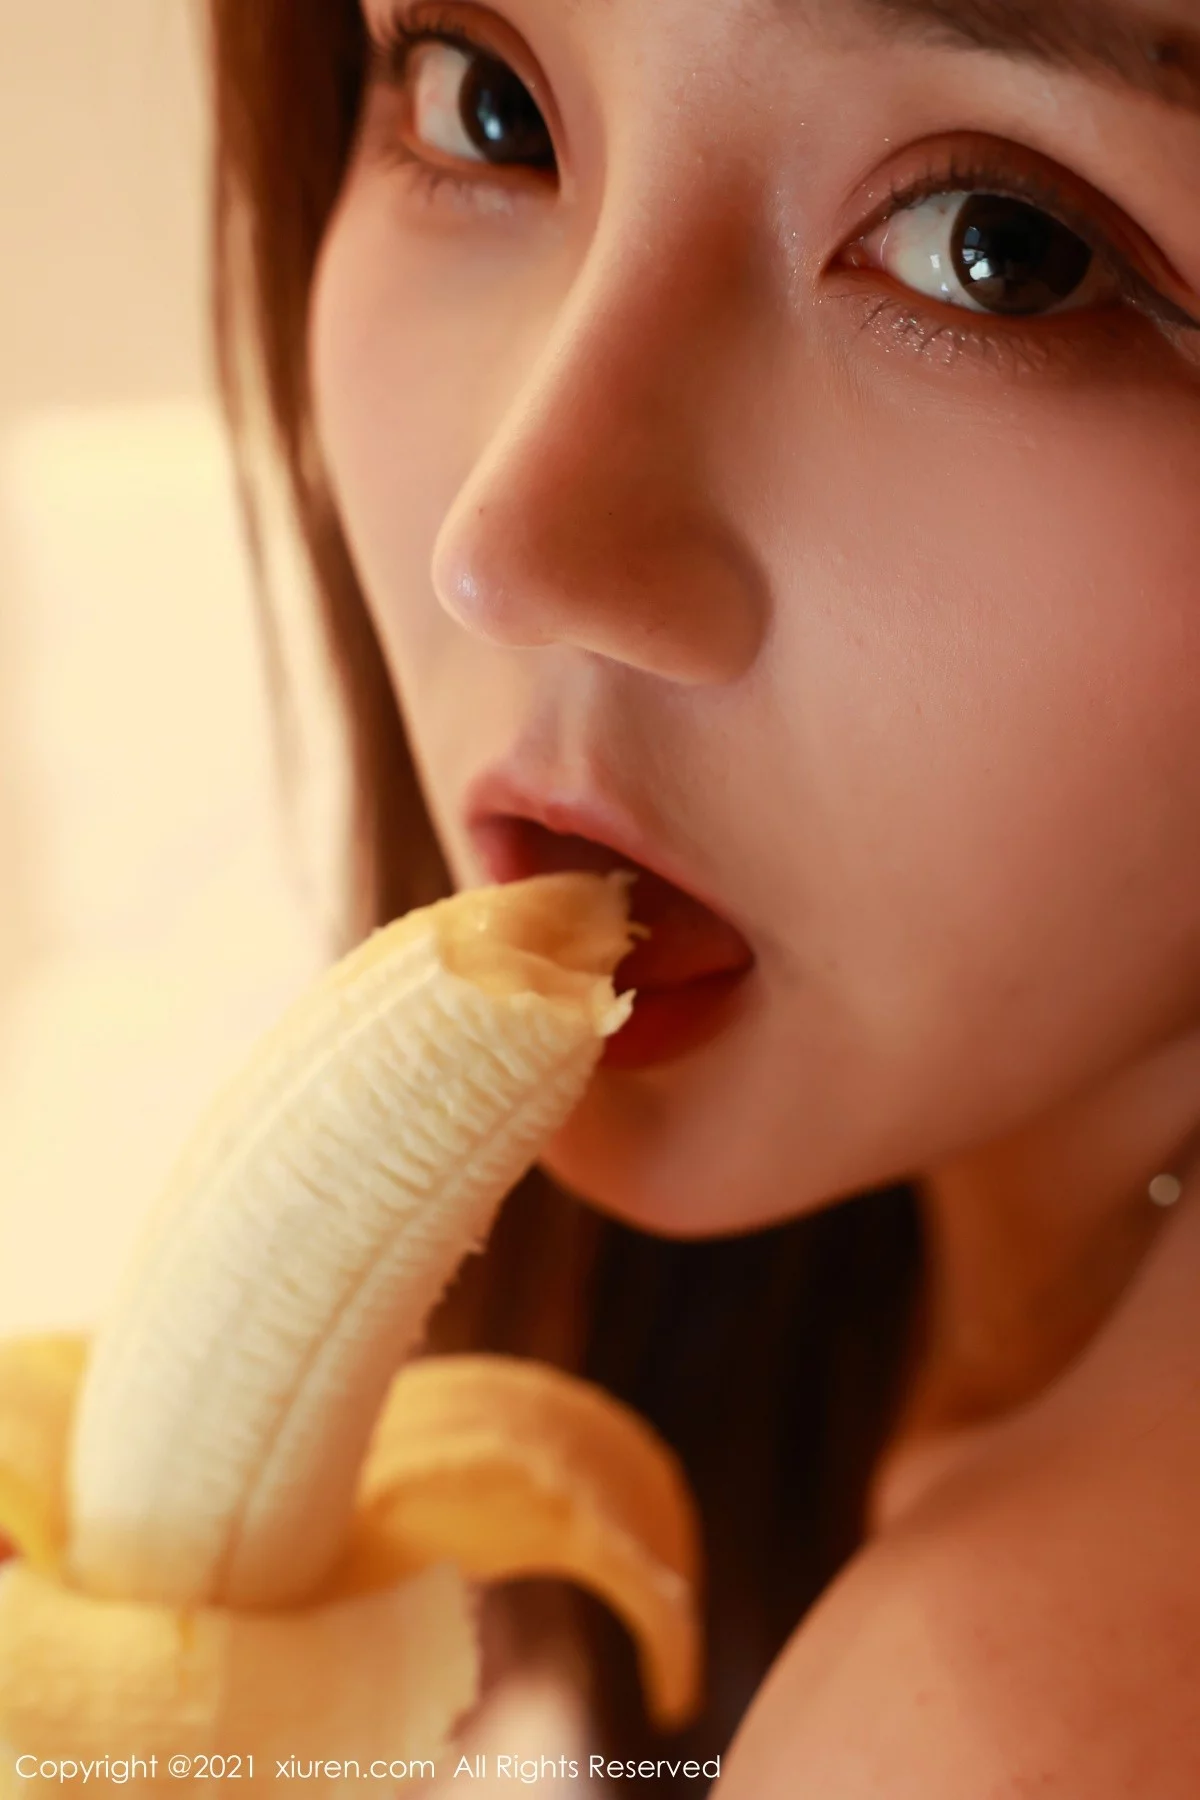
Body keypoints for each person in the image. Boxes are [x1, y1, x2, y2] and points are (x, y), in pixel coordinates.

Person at [207, 0, 1200, 1791]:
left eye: (1003, 252)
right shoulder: (872, 1274)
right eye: (489, 109)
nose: (509, 552)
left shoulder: (1004, 1728)